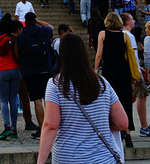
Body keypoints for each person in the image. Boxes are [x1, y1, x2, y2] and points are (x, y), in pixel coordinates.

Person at [35, 33, 127, 164]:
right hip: (104, 158)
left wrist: (40, 161)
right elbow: (122, 123)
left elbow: (51, 125)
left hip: (69, 157)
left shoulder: (56, 84)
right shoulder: (102, 83)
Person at [94, 12, 135, 147]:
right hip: (123, 70)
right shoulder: (124, 36)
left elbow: (99, 54)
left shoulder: (102, 34)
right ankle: (127, 133)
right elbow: (129, 55)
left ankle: (112, 131)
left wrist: (95, 69)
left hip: (109, 69)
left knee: (109, 101)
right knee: (125, 101)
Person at [18, 12, 53, 139]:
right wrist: (38, 21)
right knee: (48, 100)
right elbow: (51, 26)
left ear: (25, 22)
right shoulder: (43, 31)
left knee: (37, 100)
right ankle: (51, 126)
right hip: (46, 69)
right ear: (35, 20)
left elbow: (20, 52)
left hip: (31, 71)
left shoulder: (22, 36)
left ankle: (42, 128)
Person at [0, 13, 22, 141]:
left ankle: (7, 126)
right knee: (13, 99)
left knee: (3, 100)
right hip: (14, 70)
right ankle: (14, 129)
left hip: (1, 69)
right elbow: (17, 56)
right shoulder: (13, 38)